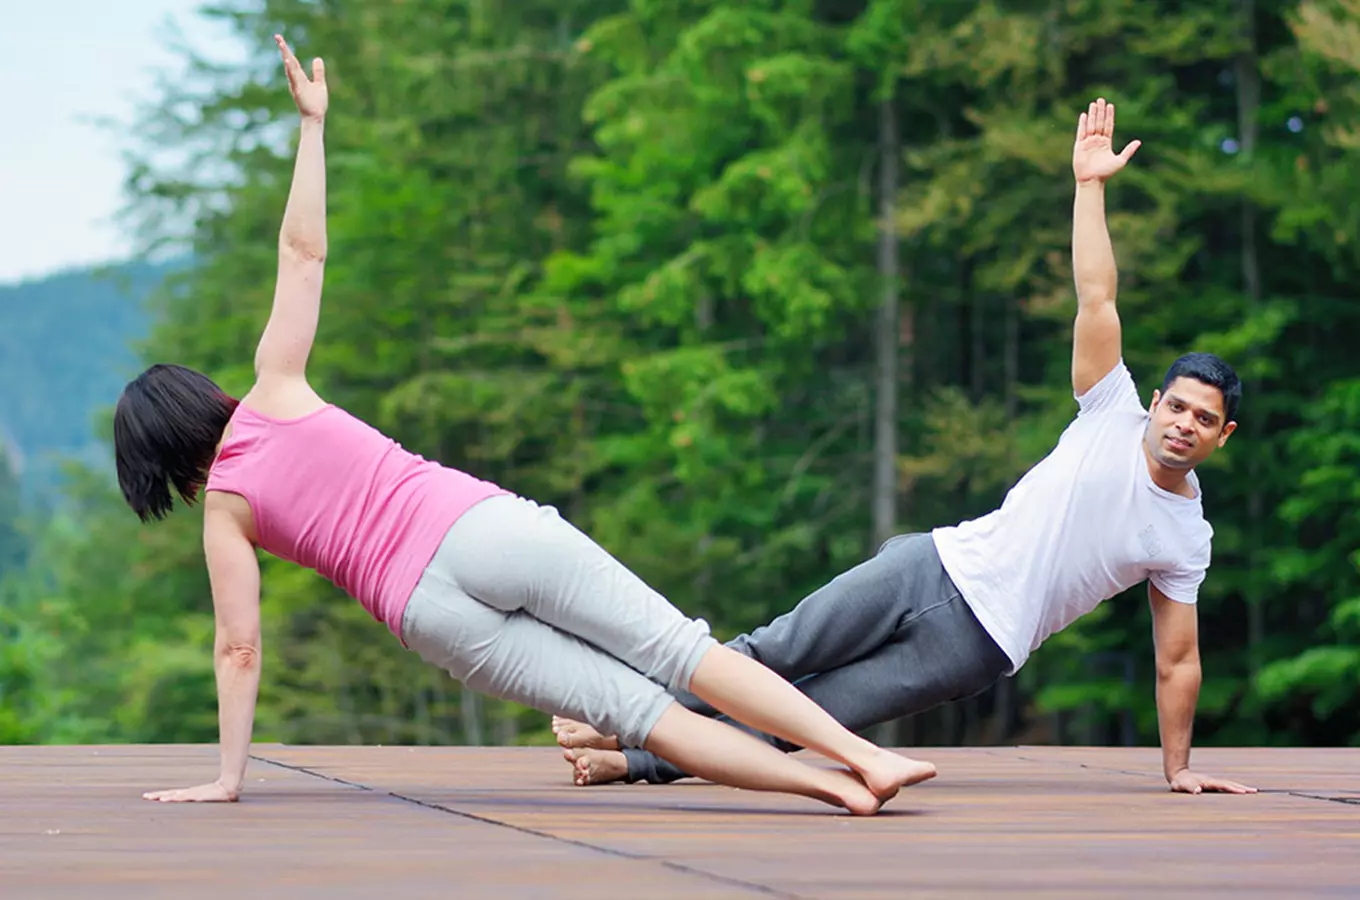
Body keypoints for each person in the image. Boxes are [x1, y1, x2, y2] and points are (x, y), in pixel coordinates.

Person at [114, 35, 938, 816]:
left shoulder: (226, 511)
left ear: (165, 464)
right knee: (683, 652)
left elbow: (240, 647)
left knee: (637, 711)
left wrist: (228, 777)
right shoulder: (275, 385)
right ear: (205, 397)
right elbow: (303, 253)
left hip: (425, 612)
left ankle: (833, 792)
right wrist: (312, 125)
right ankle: (861, 756)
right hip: (477, 529)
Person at [553, 98, 1258, 797]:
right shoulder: (1110, 410)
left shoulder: (1185, 537)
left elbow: (1178, 660)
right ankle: (612, 714)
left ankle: (634, 760)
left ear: (1220, 436)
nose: (1182, 424)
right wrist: (1088, 187)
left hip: (975, 644)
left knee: (813, 714)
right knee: (772, 651)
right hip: (930, 565)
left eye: (1202, 419)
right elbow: (1096, 297)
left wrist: (1179, 767)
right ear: (1155, 402)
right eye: (1175, 406)